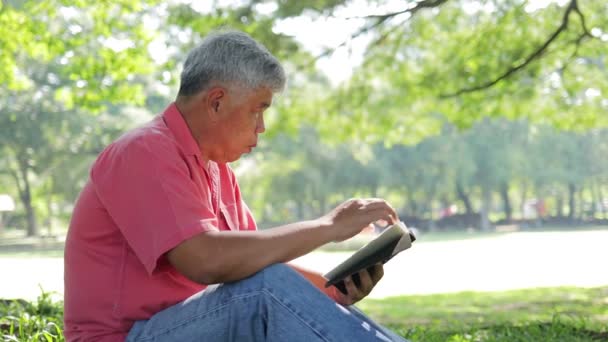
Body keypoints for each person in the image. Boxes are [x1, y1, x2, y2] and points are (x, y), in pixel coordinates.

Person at [64, 29, 408, 342]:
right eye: (258, 110)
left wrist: (333, 289)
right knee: (262, 291)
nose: (262, 127)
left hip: (188, 325)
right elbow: (205, 261)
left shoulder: (218, 170)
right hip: (126, 337)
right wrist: (328, 226)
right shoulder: (143, 152)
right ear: (216, 102)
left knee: (265, 285)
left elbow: (253, 264)